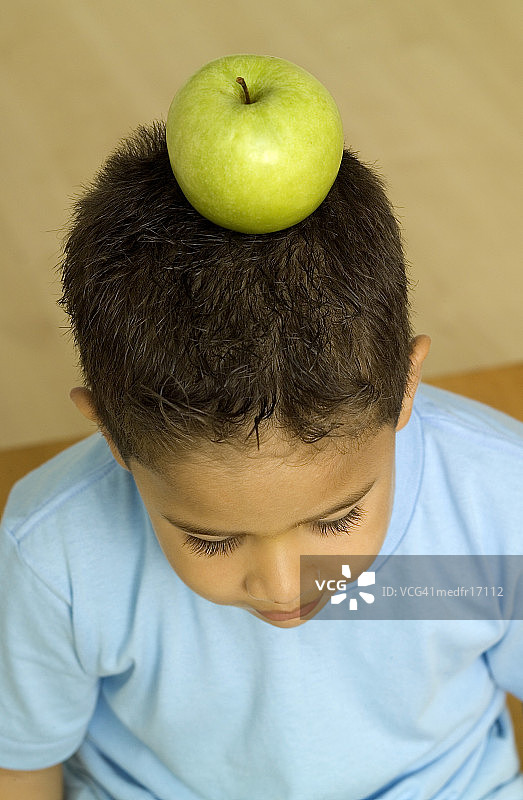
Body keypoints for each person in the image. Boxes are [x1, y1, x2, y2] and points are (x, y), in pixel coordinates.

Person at [1, 120, 522, 800]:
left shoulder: (500, 497)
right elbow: (22, 763)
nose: (283, 587)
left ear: (403, 388)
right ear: (111, 434)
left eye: (336, 520)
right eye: (211, 539)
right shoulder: (51, 552)